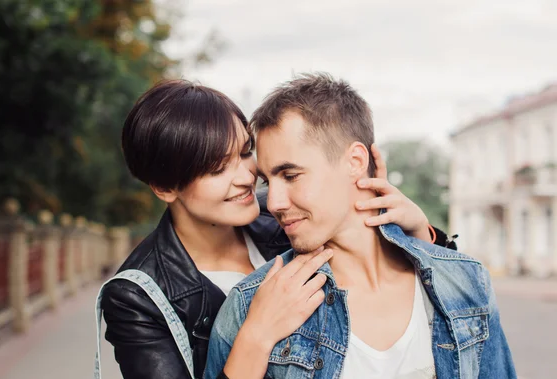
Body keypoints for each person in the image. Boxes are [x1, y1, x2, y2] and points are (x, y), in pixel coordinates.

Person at [98, 80, 456, 379]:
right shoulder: (136, 298)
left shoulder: (286, 216)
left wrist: (418, 232)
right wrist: (257, 334)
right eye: (216, 169)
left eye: (243, 153)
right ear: (165, 188)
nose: (245, 178)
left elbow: (448, 305)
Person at [204, 73, 516, 379]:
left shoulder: (464, 280)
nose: (273, 203)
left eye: (290, 175)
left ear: (355, 161)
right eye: (268, 181)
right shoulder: (251, 304)